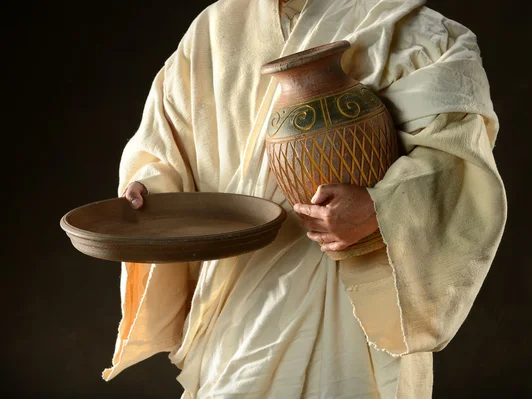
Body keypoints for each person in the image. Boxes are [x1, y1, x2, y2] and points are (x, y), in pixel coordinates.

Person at [103, 0, 507, 397]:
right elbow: (166, 143)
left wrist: (381, 207)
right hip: (243, 295)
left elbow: (456, 156)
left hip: (350, 287)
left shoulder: (404, 25)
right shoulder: (214, 29)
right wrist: (149, 189)